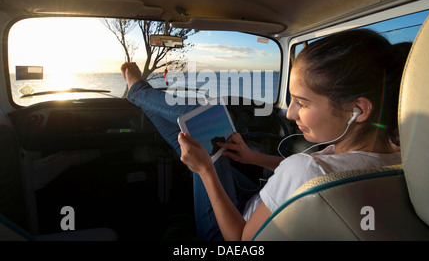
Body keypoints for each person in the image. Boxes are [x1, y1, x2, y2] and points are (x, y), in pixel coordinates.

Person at [121, 29, 409, 241]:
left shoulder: (307, 169)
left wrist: (207, 171)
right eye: (291, 100)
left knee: (199, 127)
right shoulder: (403, 159)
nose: (291, 114)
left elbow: (239, 240)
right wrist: (253, 157)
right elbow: (300, 179)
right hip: (263, 203)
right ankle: (140, 92)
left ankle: (138, 91)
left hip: (228, 231)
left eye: (303, 103)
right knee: (195, 136)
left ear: (358, 110)